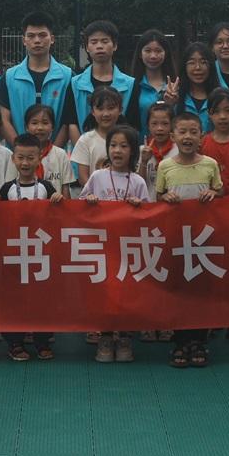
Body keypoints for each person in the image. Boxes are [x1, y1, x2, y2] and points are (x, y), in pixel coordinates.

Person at [155, 114, 222, 369]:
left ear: (201, 136)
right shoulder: (165, 166)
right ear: (173, 136)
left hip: (204, 238)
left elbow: (220, 191)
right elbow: (158, 196)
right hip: (176, 238)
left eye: (193, 131)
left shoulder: (210, 164)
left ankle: (199, 341)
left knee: (202, 290)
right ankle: (180, 341)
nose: (187, 137)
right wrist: (165, 197)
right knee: (179, 290)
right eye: (182, 131)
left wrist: (213, 192)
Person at [79, 126, 150, 363]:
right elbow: (79, 206)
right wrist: (88, 200)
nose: (117, 150)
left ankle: (125, 336)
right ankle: (106, 336)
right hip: (103, 247)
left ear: (133, 151)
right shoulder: (97, 177)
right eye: (113, 145)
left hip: (128, 247)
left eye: (124, 146)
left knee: (127, 292)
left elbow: (150, 214)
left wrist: (139, 205)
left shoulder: (138, 181)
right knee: (104, 292)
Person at [1, 133, 62, 363]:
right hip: (14, 253)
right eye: (20, 158)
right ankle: (15, 342)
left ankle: (42, 341)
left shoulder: (47, 187)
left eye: (30, 158)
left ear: (39, 159)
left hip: (40, 252)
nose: (25, 163)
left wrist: (59, 200)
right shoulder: (6, 189)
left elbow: (60, 215)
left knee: (42, 297)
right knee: (13, 298)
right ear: (13, 159)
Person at [0, 12, 74, 144]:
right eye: (31, 36)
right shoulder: (10, 77)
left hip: (56, 154)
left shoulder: (67, 76)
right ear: (24, 40)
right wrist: (21, 150)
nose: (37, 40)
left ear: (52, 39)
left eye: (42, 35)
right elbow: (3, 119)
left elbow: (68, 122)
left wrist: (52, 152)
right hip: (19, 154)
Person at [62, 20, 135, 138]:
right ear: (87, 47)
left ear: (115, 45)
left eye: (105, 41)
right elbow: (72, 123)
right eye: (94, 42)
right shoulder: (75, 83)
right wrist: (83, 148)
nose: (99, 46)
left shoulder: (130, 84)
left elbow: (132, 123)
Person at [68, 85, 125, 192]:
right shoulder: (85, 140)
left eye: (111, 108)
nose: (106, 114)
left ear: (120, 110)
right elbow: (83, 177)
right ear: (93, 111)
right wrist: (100, 194)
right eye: (100, 108)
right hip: (93, 198)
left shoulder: (127, 140)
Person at [124, 29, 175, 127]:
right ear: (140, 54)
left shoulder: (175, 87)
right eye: (148, 51)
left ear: (166, 53)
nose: (153, 56)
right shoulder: (131, 86)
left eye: (158, 51)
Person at [163, 43, 220, 128]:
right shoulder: (173, 95)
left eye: (203, 62)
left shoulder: (219, 96)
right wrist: (169, 105)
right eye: (192, 63)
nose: (198, 67)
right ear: (184, 67)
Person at [23, 105, 73, 195]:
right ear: (26, 127)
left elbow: (65, 190)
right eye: (34, 123)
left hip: (55, 204)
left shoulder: (61, 154)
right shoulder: (20, 155)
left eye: (45, 123)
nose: (40, 128)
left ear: (52, 127)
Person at [136, 100, 176, 187]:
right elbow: (138, 185)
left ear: (172, 125)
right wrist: (144, 162)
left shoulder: (178, 150)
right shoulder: (142, 150)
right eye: (154, 123)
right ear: (148, 126)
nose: (159, 128)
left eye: (165, 123)